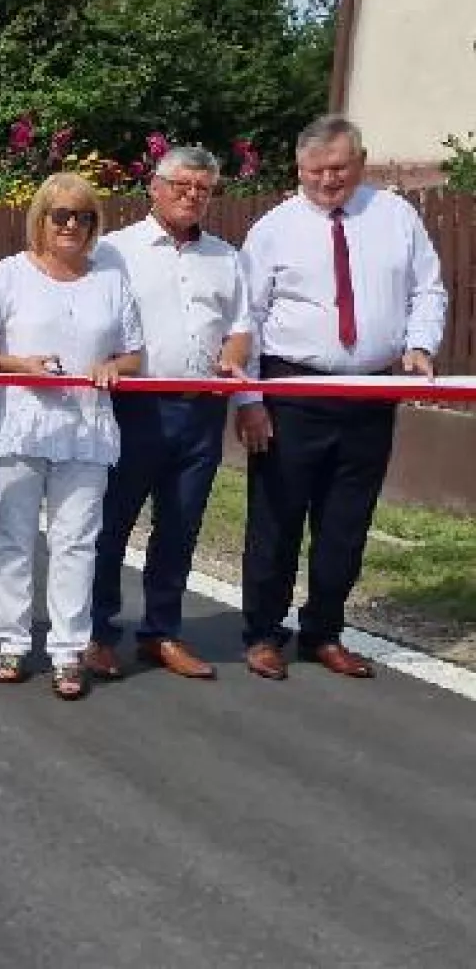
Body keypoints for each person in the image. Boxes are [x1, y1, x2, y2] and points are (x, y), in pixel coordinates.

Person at [235, 115, 446, 680]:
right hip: (291, 393)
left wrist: (420, 345)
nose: (329, 180)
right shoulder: (273, 229)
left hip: (370, 394)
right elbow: (246, 319)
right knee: (276, 520)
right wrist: (249, 400)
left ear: (360, 160)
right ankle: (262, 633)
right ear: (298, 169)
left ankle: (324, 632)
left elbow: (428, 288)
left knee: (346, 523)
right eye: (316, 170)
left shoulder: (396, 216)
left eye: (340, 168)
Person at [0, 172, 144, 701]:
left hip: (84, 428)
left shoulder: (111, 280)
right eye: (60, 215)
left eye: (82, 217)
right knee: (14, 540)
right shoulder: (5, 276)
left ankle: (68, 650)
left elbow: (134, 354)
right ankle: (13, 641)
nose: (71, 225)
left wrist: (115, 367)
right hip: (18, 425)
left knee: (76, 543)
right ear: (40, 220)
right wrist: (19, 364)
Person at [86, 147, 250, 682]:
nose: (191, 196)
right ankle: (97, 634)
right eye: (180, 185)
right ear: (154, 187)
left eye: (202, 188)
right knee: (110, 526)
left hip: (202, 410)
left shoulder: (227, 256)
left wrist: (233, 356)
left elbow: (242, 326)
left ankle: (161, 632)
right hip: (132, 407)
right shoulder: (113, 251)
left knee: (180, 526)